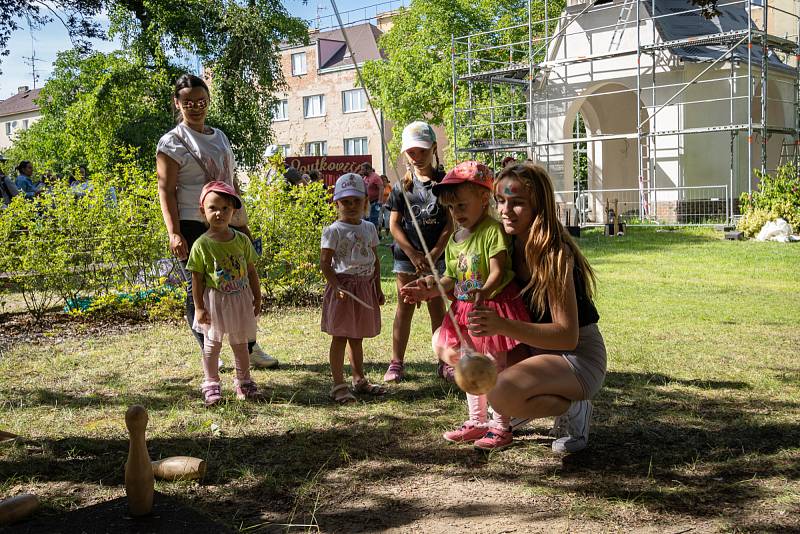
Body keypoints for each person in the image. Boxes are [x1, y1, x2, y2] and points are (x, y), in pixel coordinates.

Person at [468, 162, 607, 453]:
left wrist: (502, 325)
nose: (505, 210)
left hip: (577, 357)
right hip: (538, 351)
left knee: (499, 393)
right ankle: (522, 402)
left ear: (538, 206)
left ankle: (574, 408)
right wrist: (434, 286)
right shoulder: (508, 245)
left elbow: (567, 336)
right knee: (489, 378)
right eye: (501, 201)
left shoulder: (552, 254)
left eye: (517, 203)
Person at [400, 161, 530, 451]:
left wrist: (484, 291)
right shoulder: (455, 240)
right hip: (465, 310)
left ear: (484, 199)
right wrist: (430, 289)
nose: (456, 213)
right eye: (452, 208)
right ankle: (477, 421)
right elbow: (450, 278)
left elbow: (497, 270)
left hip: (492, 307)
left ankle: (501, 425)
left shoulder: (492, 231)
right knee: (469, 364)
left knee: (494, 366)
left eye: (461, 205)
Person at [156, 73, 278, 369]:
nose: (195, 107)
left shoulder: (220, 136)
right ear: (177, 104)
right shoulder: (172, 142)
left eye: (201, 101)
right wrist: (174, 232)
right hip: (193, 223)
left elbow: (230, 182)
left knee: (238, 283)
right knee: (197, 287)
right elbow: (166, 189)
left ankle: (248, 347)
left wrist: (242, 221)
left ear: (208, 101)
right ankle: (208, 348)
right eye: (188, 103)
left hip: (228, 219)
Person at [382, 121, 453, 383]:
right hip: (406, 260)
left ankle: (444, 362)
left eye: (422, 151)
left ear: (433, 149)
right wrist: (412, 254)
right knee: (404, 308)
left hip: (436, 260)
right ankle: (396, 362)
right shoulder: (402, 186)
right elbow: (393, 224)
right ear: (404, 154)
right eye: (411, 152)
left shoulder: (444, 184)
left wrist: (434, 254)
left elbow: (449, 224)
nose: (417, 157)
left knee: (437, 308)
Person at [186, 181, 264, 406]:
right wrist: (199, 307)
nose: (219, 213)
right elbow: (197, 278)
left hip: (240, 300)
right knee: (212, 344)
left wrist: (257, 297)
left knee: (241, 344)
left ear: (233, 211)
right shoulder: (202, 244)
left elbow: (251, 270)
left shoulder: (241, 241)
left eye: (225, 208)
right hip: (215, 302)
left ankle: (244, 381)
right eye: (213, 208)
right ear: (203, 211)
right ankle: (211, 384)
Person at [320, 173, 387, 403]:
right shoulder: (333, 231)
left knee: (357, 336)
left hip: (364, 288)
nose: (351, 206)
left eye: (356, 201)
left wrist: (377, 288)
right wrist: (336, 285)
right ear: (337, 203)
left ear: (365, 203)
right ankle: (338, 384)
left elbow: (375, 260)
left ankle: (359, 379)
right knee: (340, 336)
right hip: (344, 290)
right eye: (345, 202)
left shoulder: (369, 228)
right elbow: (325, 263)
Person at [359, 163, 383, 228]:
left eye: (363, 170)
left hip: (375, 202)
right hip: (367, 203)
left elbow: (381, 188)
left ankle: (375, 235)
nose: (362, 171)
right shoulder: (365, 178)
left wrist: (380, 200)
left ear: (368, 169)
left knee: (374, 220)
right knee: (367, 220)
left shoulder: (375, 177)